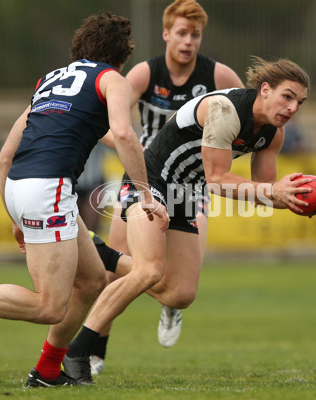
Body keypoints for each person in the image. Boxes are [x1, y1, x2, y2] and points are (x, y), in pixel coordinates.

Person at [0, 12, 168, 387]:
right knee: (49, 305)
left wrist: (14, 216)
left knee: (93, 279)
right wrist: (146, 195)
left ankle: (47, 371)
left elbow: (4, 156)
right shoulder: (111, 77)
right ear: (121, 56)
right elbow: (125, 135)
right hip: (49, 189)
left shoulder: (51, 79)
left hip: (20, 186)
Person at [62, 57, 312, 382]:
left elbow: (266, 191)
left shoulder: (273, 134)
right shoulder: (226, 110)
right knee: (149, 270)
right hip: (149, 181)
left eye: (300, 102)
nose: (293, 107)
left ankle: (103, 254)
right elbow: (218, 179)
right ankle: (79, 351)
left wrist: (294, 199)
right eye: (287, 96)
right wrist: (272, 192)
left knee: (180, 295)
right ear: (265, 89)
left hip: (186, 193)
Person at [87, 0, 244, 375]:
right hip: (144, 176)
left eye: (195, 35)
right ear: (166, 34)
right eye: (181, 33)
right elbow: (105, 121)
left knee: (186, 265)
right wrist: (131, 146)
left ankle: (172, 303)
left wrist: (222, 156)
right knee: (111, 273)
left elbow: (249, 116)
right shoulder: (145, 73)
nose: (188, 41)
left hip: (191, 182)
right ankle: (94, 352)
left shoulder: (218, 75)